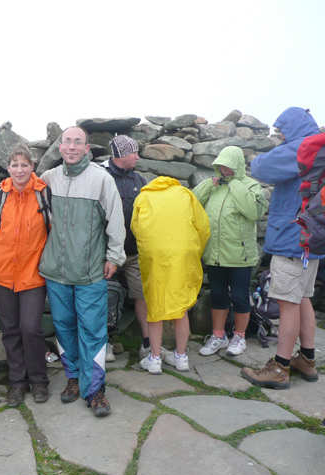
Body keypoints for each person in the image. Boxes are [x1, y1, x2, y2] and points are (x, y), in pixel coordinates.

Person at [39, 126, 126, 418]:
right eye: (68, 142)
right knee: (64, 328)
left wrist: (114, 255)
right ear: (60, 147)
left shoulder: (101, 180)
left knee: (93, 330)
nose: (72, 147)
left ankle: (95, 390)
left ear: (87, 148)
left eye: (78, 142)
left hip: (90, 271)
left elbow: (115, 219)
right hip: (56, 271)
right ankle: (74, 379)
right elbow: (23, 193)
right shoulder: (48, 179)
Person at [241, 107, 322, 389]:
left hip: (292, 239)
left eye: (282, 130)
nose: (280, 136)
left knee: (287, 304)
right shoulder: (320, 150)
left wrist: (282, 146)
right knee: (302, 299)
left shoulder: (303, 148)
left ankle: (280, 366)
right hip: (313, 242)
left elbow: (261, 167)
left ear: (293, 127)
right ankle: (307, 360)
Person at [0, 144, 51, 407]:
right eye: (14, 164)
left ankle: (39, 380)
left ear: (33, 167)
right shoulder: (0, 194)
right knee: (11, 330)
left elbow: (53, 228)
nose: (19, 169)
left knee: (31, 328)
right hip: (2, 272)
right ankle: (17, 382)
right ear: (8, 168)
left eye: (24, 164)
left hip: (33, 273)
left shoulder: (44, 193)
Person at [193, 146, 268, 356]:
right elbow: (193, 203)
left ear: (237, 165)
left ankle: (239, 336)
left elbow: (252, 212)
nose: (224, 170)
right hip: (215, 254)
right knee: (217, 295)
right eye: (221, 166)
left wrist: (235, 183)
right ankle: (218, 336)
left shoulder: (251, 186)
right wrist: (209, 184)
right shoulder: (214, 185)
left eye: (228, 166)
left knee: (240, 297)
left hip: (240, 256)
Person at [133, 176, 210, 374]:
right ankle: (181, 357)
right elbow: (203, 227)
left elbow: (136, 228)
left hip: (155, 257)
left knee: (155, 307)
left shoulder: (144, 196)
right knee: (181, 307)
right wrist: (194, 251)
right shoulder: (185, 194)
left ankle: (155, 359)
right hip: (182, 256)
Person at [104, 135, 150, 359]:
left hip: (133, 252)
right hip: (106, 254)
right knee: (105, 295)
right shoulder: (102, 177)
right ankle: (105, 342)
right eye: (134, 153)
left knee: (142, 294)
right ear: (122, 155)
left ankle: (148, 342)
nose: (138, 157)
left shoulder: (140, 180)